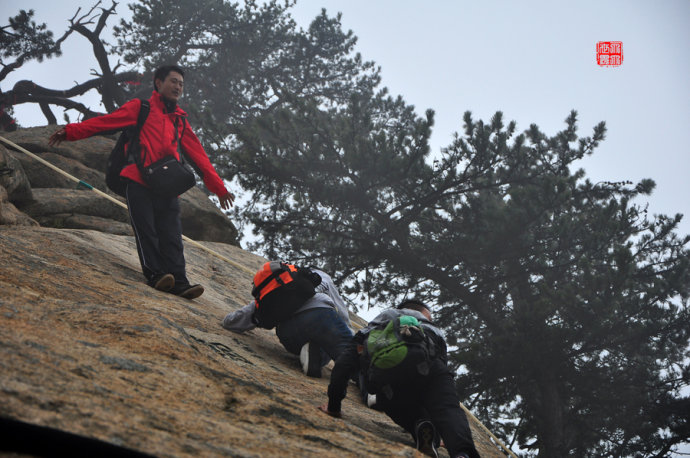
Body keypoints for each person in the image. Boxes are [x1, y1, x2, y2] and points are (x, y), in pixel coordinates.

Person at [48, 65, 234, 299]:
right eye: (173, 81)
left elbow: (199, 157)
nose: (178, 87)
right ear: (158, 83)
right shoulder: (141, 108)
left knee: (172, 235)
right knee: (147, 230)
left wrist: (219, 189)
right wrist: (70, 131)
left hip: (167, 186)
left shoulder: (180, 121)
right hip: (138, 180)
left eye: (181, 84)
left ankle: (180, 281)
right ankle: (156, 275)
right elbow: (105, 122)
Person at [318, 299, 480, 458]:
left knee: (395, 403)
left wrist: (334, 406)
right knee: (446, 407)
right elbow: (440, 380)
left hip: (389, 381)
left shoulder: (378, 325)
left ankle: (418, 423)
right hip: (429, 368)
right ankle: (462, 453)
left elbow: (344, 363)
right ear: (422, 313)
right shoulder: (431, 329)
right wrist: (446, 430)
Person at [222, 266, 353, 378]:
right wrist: (353, 343)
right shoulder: (324, 278)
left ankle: (313, 353)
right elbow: (342, 316)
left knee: (320, 338)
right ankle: (368, 387)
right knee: (346, 353)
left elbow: (250, 312)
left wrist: (229, 321)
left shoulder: (285, 281)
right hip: (320, 316)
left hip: (288, 334)